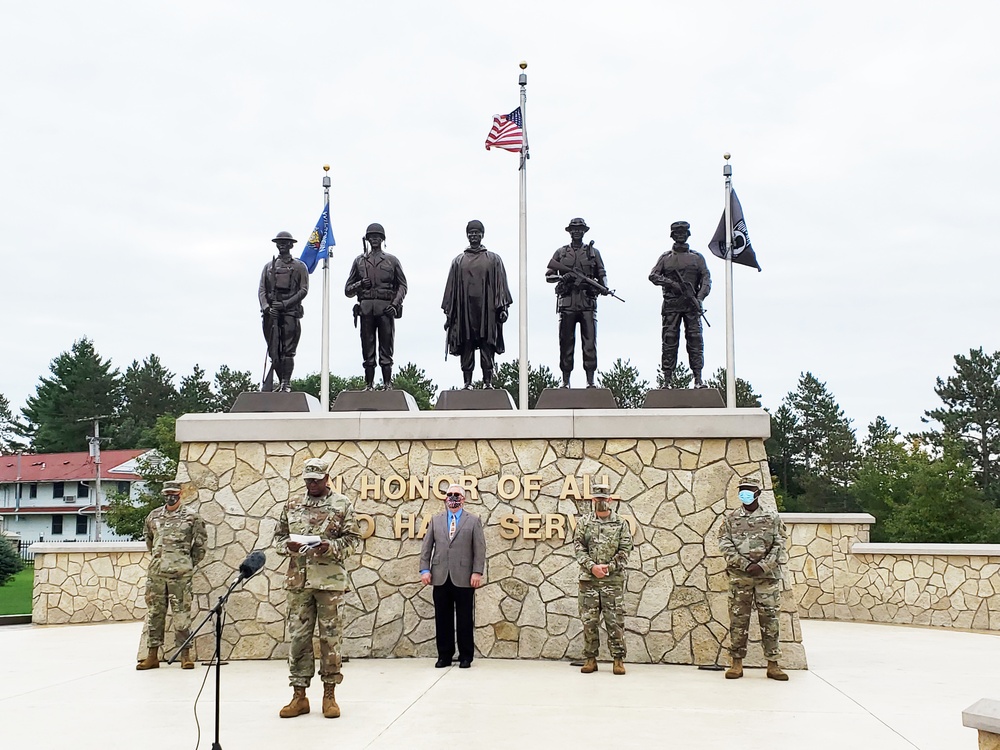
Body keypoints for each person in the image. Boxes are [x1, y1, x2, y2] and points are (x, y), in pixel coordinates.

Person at [274, 458, 361, 718]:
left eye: (316, 480)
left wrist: (330, 547)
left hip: (329, 582)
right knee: (299, 639)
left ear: (327, 478)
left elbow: (353, 540)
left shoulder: (342, 504)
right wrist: (286, 546)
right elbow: (278, 538)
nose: (312, 484)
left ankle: (329, 695)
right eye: (308, 480)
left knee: (330, 639)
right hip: (299, 582)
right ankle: (299, 695)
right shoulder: (292, 505)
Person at [717, 477, 789, 681]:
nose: (745, 494)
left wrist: (763, 566)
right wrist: (745, 565)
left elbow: (780, 544)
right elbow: (724, 544)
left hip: (766, 579)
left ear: (758, 493)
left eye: (749, 490)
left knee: (770, 620)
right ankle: (736, 663)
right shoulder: (731, 519)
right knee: (738, 621)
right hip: (740, 578)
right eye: (742, 490)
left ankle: (773, 664)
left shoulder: (772, 518)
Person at [136, 480, 207, 671]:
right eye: (167, 493)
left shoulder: (192, 517)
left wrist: (186, 563)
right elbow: (149, 541)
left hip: (180, 575)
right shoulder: (154, 516)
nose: (170, 496)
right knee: (154, 614)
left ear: (181, 494)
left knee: (182, 615)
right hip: (157, 574)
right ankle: (152, 655)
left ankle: (185, 654)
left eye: (174, 493)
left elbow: (200, 546)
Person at [418, 484, 486, 668]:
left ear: (463, 499)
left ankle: (466, 656)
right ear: (445, 498)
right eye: (450, 495)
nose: (453, 498)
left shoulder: (473, 520)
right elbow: (427, 546)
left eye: (457, 495)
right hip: (440, 576)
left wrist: (477, 572)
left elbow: (479, 549)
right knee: (442, 618)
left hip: (464, 577)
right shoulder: (436, 520)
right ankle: (444, 656)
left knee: (464, 618)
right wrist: (425, 569)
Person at [442, 220, 513, 389]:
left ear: (482, 234)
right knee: (466, 345)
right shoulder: (458, 261)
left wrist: (502, 308)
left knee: (487, 345)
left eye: (477, 232)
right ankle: (467, 382)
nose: (474, 236)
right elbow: (450, 291)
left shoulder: (494, 259)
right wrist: (449, 316)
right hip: (465, 311)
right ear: (467, 235)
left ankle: (487, 382)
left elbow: (500, 286)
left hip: (487, 311)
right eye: (471, 233)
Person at [573, 482, 633, 675]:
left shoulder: (620, 523)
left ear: (610, 499)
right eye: (596, 498)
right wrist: (592, 567)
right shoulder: (584, 522)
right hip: (589, 581)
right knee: (589, 621)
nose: (600, 501)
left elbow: (625, 550)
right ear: (592, 500)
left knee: (614, 621)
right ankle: (590, 659)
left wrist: (609, 568)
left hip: (612, 581)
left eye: (603, 498)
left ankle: (618, 659)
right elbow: (578, 547)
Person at [545, 218, 609, 388]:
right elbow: (549, 275)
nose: (577, 232)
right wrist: (562, 277)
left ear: (584, 231)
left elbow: (601, 273)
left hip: (587, 302)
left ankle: (590, 381)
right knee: (566, 343)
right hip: (567, 303)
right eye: (574, 229)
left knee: (589, 343)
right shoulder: (561, 252)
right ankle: (565, 381)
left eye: (580, 229)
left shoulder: (593, 252)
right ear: (569, 232)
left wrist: (604, 287)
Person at [648, 220, 712, 387]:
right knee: (669, 341)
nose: (681, 235)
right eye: (677, 233)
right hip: (672, 305)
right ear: (672, 235)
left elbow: (706, 279)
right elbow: (653, 276)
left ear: (688, 234)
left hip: (691, 306)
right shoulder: (665, 258)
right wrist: (671, 284)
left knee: (695, 340)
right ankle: (667, 380)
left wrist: (700, 298)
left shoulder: (697, 258)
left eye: (683, 232)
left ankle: (698, 378)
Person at [345, 222, 408, 390]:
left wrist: (395, 304)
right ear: (367, 239)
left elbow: (402, 285)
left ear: (382, 239)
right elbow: (347, 290)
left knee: (386, 347)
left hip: (385, 309)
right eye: (371, 237)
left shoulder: (392, 261)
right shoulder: (359, 261)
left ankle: (387, 383)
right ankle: (369, 384)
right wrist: (360, 284)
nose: (374, 239)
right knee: (367, 347)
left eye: (377, 237)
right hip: (366, 309)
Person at [258, 231, 309, 392]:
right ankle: (279, 381)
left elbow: (303, 290)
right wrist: (267, 308)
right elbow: (262, 290)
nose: (282, 245)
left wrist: (285, 304)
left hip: (290, 314)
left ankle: (285, 383)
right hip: (271, 315)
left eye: (285, 242)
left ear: (291, 245)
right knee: (274, 350)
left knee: (288, 350)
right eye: (279, 242)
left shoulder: (299, 266)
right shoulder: (268, 267)